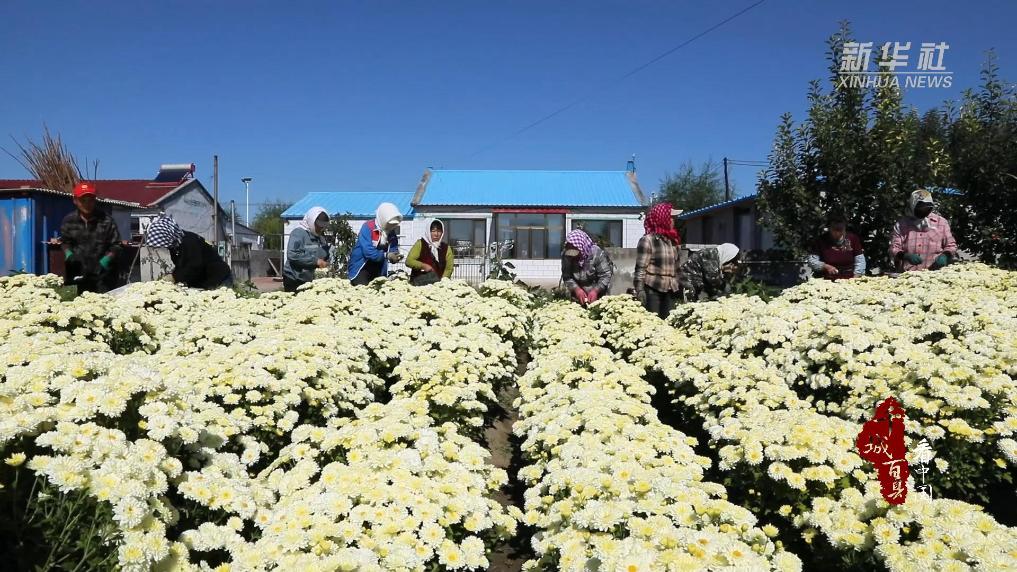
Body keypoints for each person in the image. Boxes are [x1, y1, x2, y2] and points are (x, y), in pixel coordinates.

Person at [57, 182, 122, 293]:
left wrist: (106, 260)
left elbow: (116, 245)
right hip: (79, 274)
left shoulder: (106, 220)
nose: (87, 204)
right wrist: (68, 254)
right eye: (83, 200)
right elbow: (65, 242)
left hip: (103, 275)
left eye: (90, 200)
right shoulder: (69, 221)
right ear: (75, 200)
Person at [144, 214, 233, 289]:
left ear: (168, 236)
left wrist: (174, 277)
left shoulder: (190, 242)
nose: (164, 246)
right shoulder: (175, 246)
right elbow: (181, 266)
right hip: (203, 280)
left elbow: (194, 266)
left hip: (219, 279)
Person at [890, 189, 958, 272]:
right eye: (920, 208)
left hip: (935, 274)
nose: (923, 211)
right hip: (908, 275)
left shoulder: (941, 222)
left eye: (927, 208)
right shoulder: (902, 225)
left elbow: (951, 245)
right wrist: (905, 256)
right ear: (913, 205)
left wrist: (945, 255)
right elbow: (894, 248)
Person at [633, 202, 682, 319]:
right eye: (671, 218)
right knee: (654, 323)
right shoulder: (648, 240)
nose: (673, 221)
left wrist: (684, 284)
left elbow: (677, 268)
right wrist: (639, 289)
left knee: (669, 323)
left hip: (671, 289)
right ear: (662, 218)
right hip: (653, 289)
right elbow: (641, 267)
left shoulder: (673, 241)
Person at [349, 202, 403, 285]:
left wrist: (395, 256)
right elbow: (368, 252)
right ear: (383, 219)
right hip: (362, 267)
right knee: (362, 289)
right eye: (389, 224)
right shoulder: (368, 227)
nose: (391, 227)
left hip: (379, 268)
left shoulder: (391, 233)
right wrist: (386, 255)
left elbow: (393, 248)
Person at [283, 207, 331, 292]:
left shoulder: (321, 238)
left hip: (310, 280)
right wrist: (316, 261)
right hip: (295, 279)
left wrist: (326, 263)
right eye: (318, 226)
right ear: (311, 221)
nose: (321, 229)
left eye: (323, 227)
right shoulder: (298, 233)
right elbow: (293, 254)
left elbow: (325, 254)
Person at [561, 228, 613, 306]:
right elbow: (567, 277)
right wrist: (577, 289)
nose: (572, 255)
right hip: (577, 295)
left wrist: (596, 290)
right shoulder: (566, 255)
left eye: (575, 250)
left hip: (598, 294)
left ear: (581, 247)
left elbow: (605, 275)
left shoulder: (596, 254)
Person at [808, 215, 866, 280]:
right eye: (835, 229)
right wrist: (825, 266)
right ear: (829, 228)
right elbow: (812, 260)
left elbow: (860, 260)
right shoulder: (821, 241)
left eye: (841, 229)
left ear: (845, 228)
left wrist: (856, 278)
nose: (838, 232)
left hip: (850, 278)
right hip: (827, 280)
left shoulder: (853, 239)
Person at [406, 219, 454, 286]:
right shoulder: (420, 244)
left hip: (439, 286)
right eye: (433, 231)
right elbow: (409, 261)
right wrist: (423, 266)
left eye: (439, 231)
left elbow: (449, 268)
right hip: (419, 284)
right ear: (428, 231)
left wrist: (443, 282)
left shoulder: (446, 248)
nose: (436, 234)